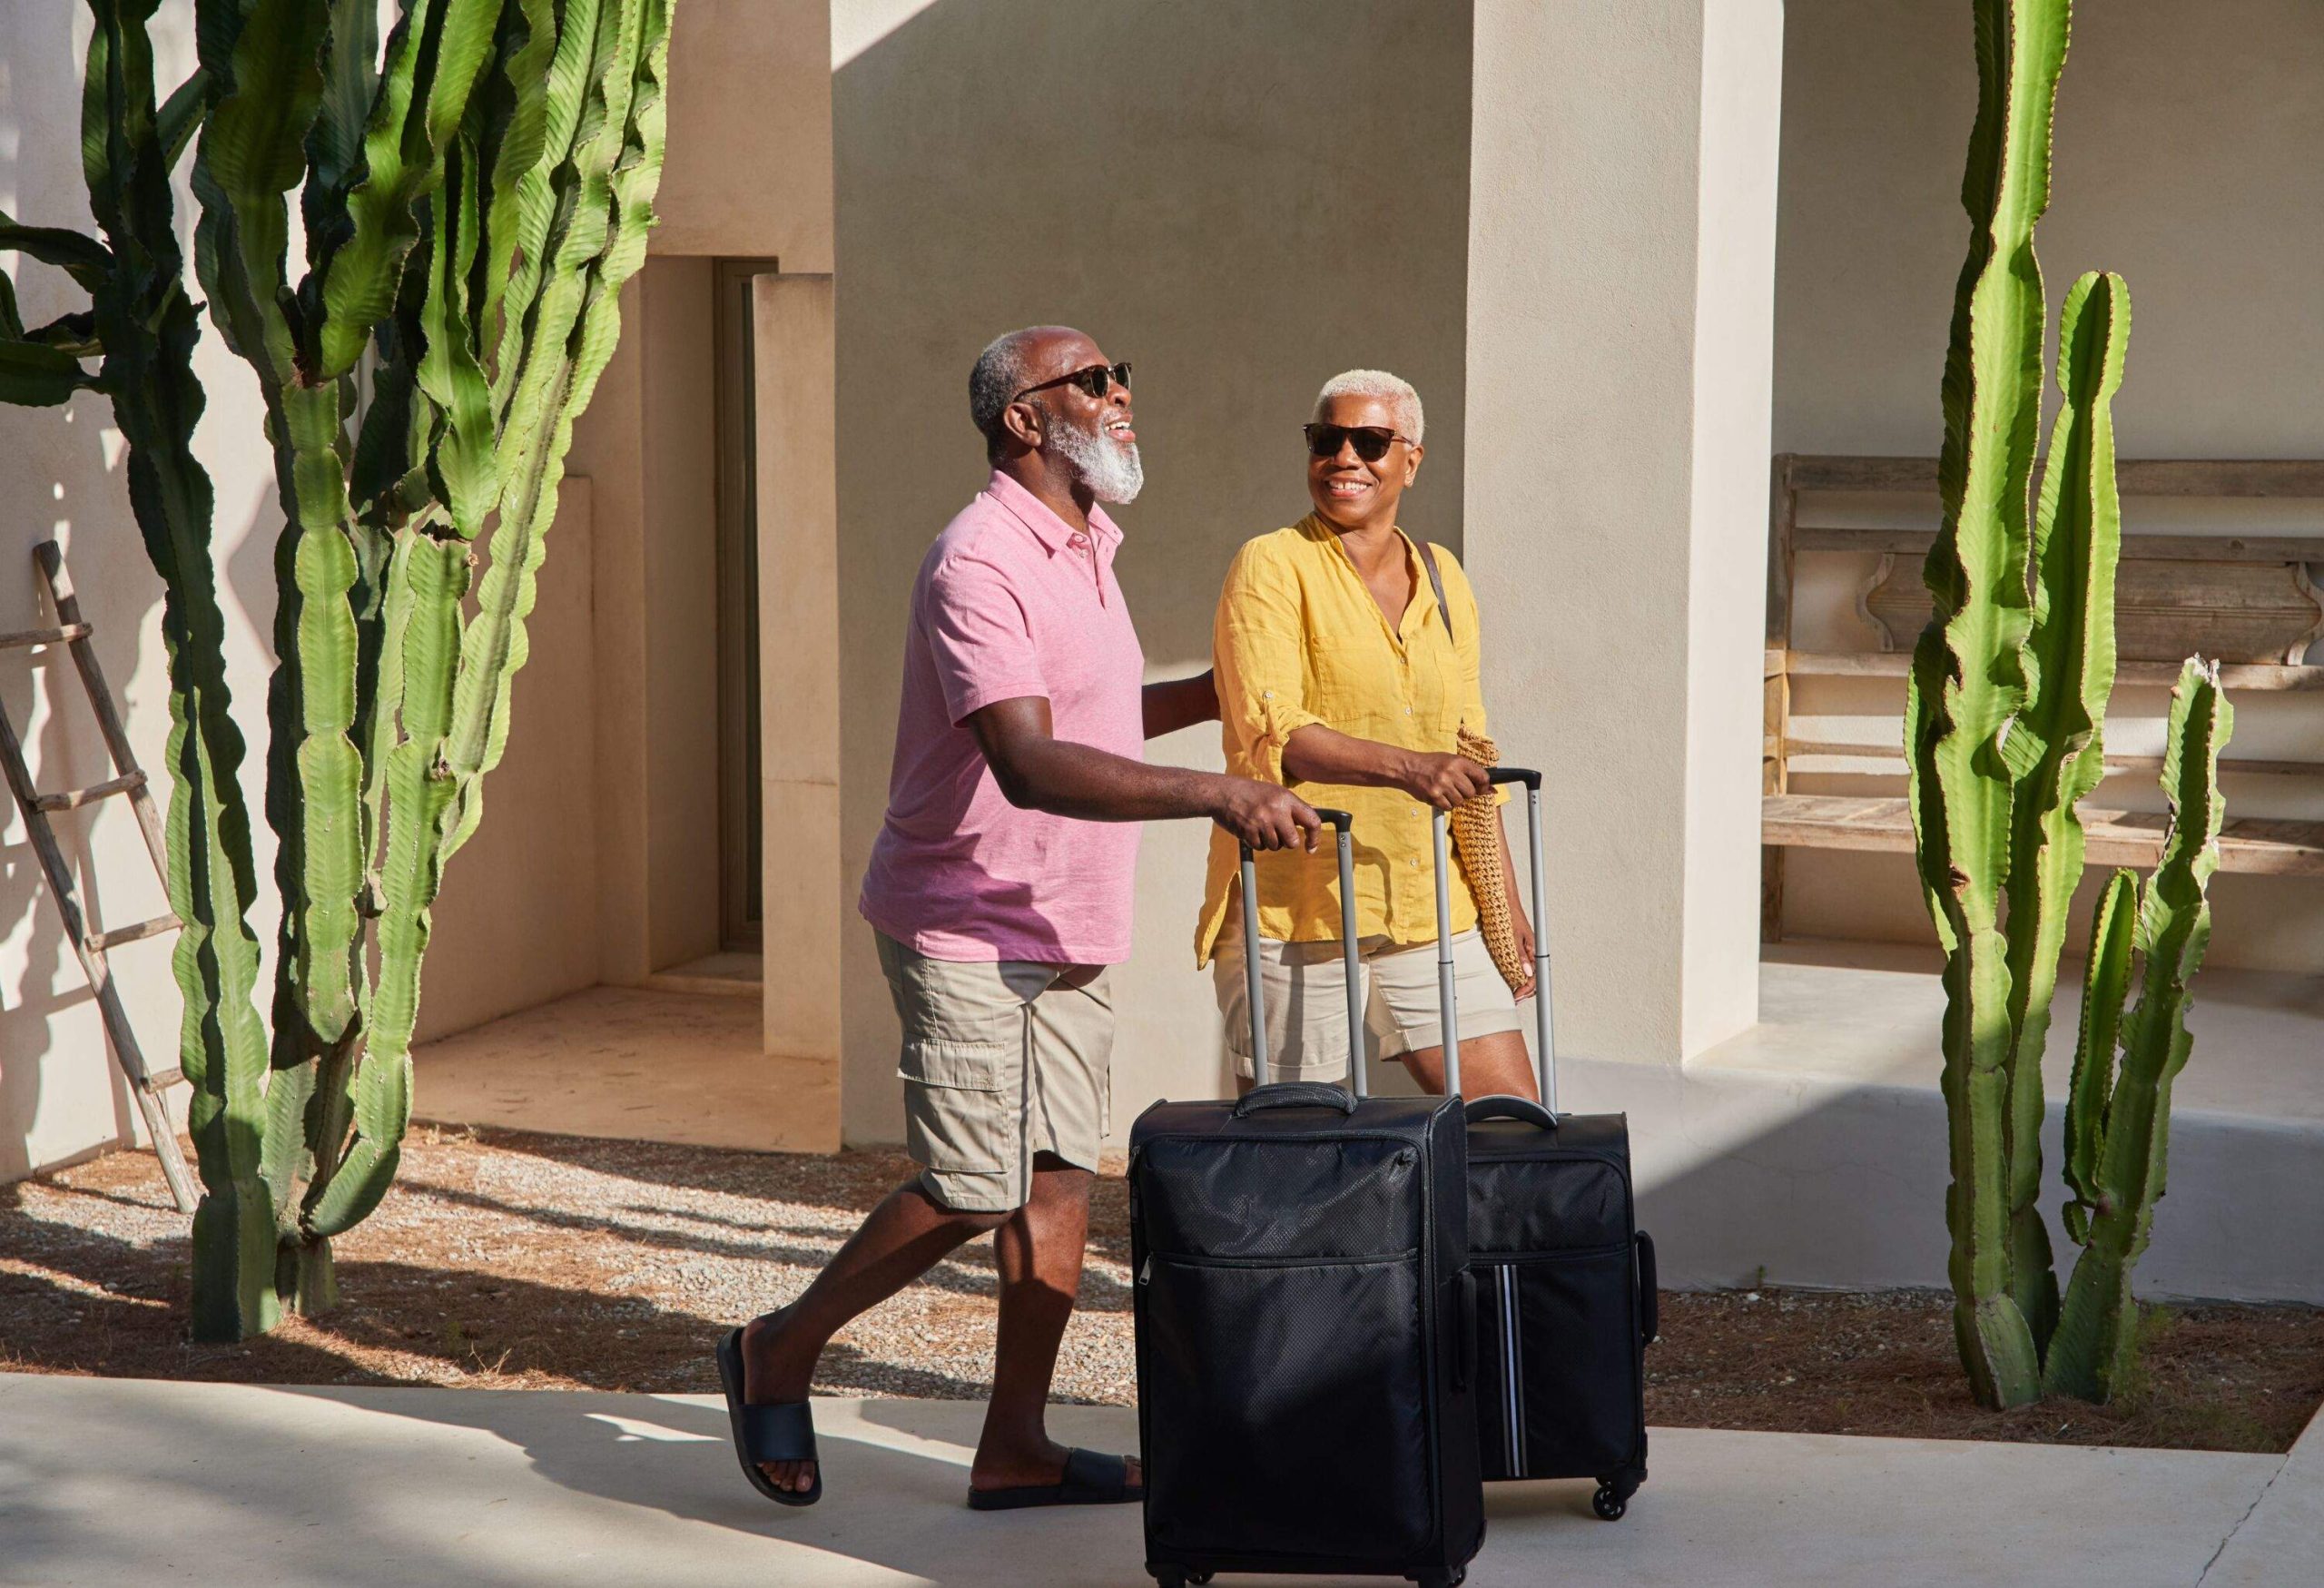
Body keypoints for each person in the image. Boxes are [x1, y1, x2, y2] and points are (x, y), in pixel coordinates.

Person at [722, 326, 1319, 1512]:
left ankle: (1015, 1448)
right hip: (967, 918)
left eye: (1124, 372)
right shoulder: (977, 563)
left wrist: (1219, 696)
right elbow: (1032, 763)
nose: (1123, 393)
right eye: (1094, 380)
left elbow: (1093, 723)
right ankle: (775, 1351)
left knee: (1054, 1187)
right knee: (971, 1184)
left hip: (1069, 915)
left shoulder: (1089, 544)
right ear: (1026, 419)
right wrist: (1223, 792)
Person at [1196, 369, 1539, 1099]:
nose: (1345, 457)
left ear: (1411, 460)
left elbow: (1472, 747)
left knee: (1511, 1127)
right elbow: (1276, 734)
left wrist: (1504, 900)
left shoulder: (1444, 576)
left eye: (1371, 441)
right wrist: (1411, 769)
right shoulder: (1272, 564)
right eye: (1327, 439)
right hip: (1300, 906)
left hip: (1431, 905)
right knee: (1300, 1158)